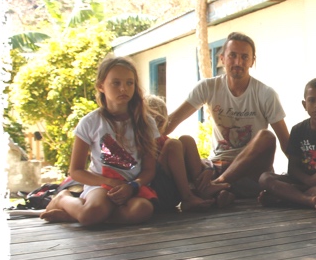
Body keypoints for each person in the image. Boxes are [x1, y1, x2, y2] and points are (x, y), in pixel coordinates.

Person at [164, 32, 290, 203]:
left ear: (253, 61)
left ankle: (217, 187)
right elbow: (172, 121)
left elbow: (286, 143)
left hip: (252, 173)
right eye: (232, 56)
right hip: (218, 166)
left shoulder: (265, 94)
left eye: (244, 57)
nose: (238, 62)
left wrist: (304, 179)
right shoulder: (208, 87)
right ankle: (218, 193)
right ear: (222, 58)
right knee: (185, 141)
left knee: (266, 137)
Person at [40, 56, 159, 226]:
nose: (123, 88)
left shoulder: (146, 122)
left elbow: (149, 170)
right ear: (101, 86)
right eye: (116, 83)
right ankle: (63, 199)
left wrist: (132, 186)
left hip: (131, 187)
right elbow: (76, 171)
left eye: (129, 83)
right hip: (101, 185)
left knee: (143, 210)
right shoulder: (90, 122)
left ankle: (74, 216)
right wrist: (110, 182)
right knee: (92, 214)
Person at [258, 78, 316, 213]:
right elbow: (292, 168)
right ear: (304, 104)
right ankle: (310, 200)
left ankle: (287, 199)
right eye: (312, 100)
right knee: (265, 178)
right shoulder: (298, 130)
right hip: (302, 181)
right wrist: (308, 180)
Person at [145, 95, 232, 212]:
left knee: (186, 139)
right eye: (153, 119)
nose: (157, 123)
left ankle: (203, 190)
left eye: (160, 120)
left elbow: (185, 160)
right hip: (157, 193)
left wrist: (208, 167)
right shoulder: (139, 141)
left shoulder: (163, 140)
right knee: (173, 144)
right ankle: (188, 198)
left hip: (173, 190)